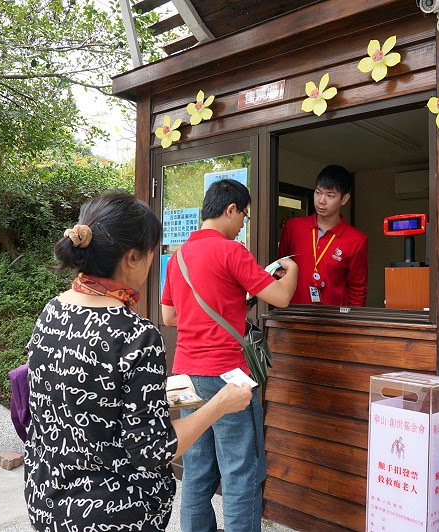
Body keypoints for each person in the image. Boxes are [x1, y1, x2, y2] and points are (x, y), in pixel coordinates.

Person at [24, 191, 254, 532]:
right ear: (133, 257)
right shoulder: (134, 333)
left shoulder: (53, 309)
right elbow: (152, 449)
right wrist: (220, 403)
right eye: (150, 253)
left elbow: (85, 396)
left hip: (47, 500)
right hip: (113, 512)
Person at [160, 178, 299, 532]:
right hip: (226, 377)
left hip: (184, 377)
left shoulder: (178, 258)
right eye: (243, 216)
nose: (242, 225)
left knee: (196, 470)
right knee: (239, 471)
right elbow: (281, 297)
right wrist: (292, 270)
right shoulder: (232, 251)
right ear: (230, 208)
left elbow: (169, 317)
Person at [278, 164, 368, 306]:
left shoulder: (357, 240)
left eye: (330, 195)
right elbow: (279, 269)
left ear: (344, 199)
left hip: (333, 321)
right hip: (293, 315)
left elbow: (357, 290)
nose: (321, 201)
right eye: (318, 192)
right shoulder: (293, 227)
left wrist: (352, 326)